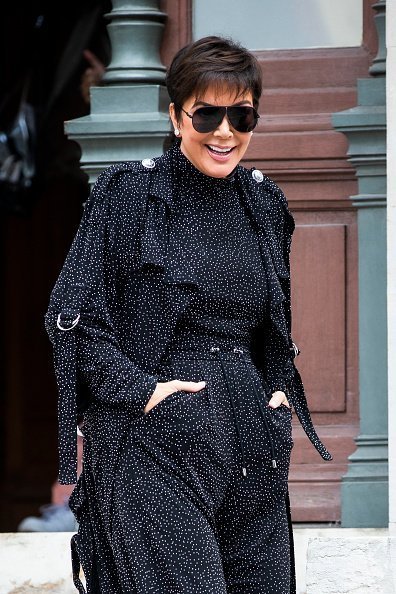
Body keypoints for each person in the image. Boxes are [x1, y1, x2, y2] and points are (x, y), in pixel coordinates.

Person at [45, 36, 332, 594]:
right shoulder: (127, 196)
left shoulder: (265, 203)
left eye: (242, 115)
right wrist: (144, 392)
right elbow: (71, 316)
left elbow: (272, 326)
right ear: (177, 116)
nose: (225, 132)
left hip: (252, 448)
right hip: (154, 448)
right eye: (208, 114)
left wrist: (274, 393)